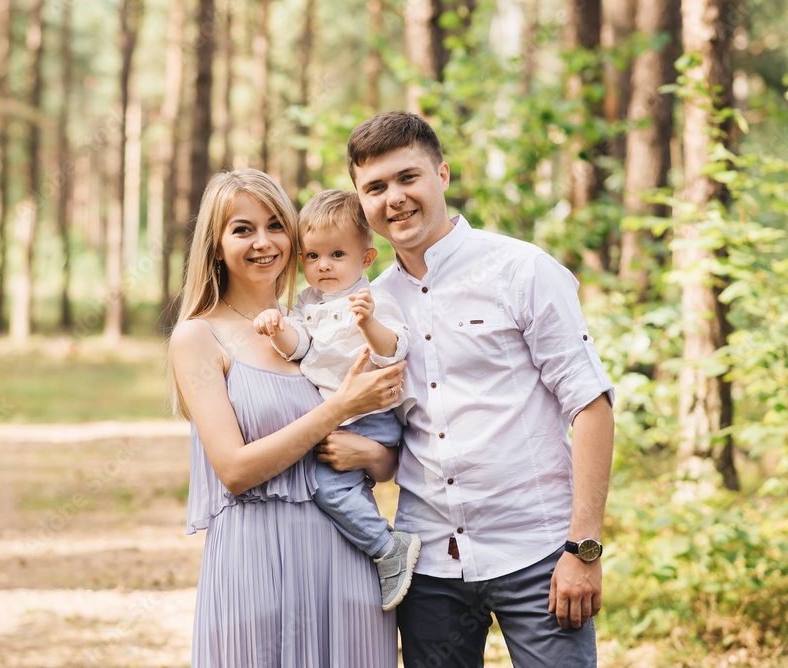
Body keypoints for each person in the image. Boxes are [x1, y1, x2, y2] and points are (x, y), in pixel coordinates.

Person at [344, 111, 616, 667]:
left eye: (407, 178)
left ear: (442, 176)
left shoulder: (521, 270)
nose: (393, 198)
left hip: (538, 555)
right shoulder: (372, 305)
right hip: (430, 569)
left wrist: (583, 549)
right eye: (375, 187)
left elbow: (590, 406)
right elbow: (388, 433)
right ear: (361, 202)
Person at [169, 168, 403, 666]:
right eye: (242, 229)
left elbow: (382, 460)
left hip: (347, 560)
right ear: (215, 245)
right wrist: (338, 408)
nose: (263, 242)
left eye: (276, 225)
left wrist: (378, 457)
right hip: (256, 564)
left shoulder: (318, 328)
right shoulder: (198, 337)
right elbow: (233, 470)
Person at [252, 189, 422, 612]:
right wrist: (277, 328)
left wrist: (367, 324)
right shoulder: (307, 302)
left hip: (368, 417)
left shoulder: (374, 300)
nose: (323, 265)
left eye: (336, 255)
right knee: (330, 484)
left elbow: (393, 350)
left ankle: (388, 548)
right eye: (312, 257)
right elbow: (300, 346)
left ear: (365, 259)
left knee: (330, 491)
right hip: (336, 417)